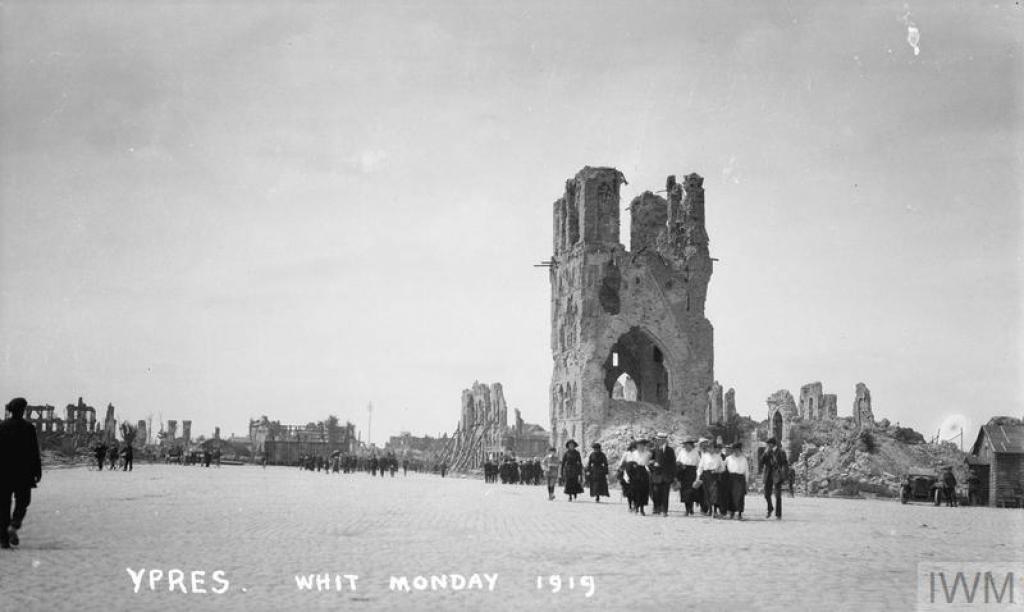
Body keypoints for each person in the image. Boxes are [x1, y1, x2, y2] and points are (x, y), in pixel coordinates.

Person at [1, 398, 42, 549]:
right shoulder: (28, 427)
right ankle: (14, 524)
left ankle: (4, 540)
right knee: (23, 501)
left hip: (3, 472)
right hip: (23, 472)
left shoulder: (2, 426)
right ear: (22, 410)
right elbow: (34, 451)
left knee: (3, 506)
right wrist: (37, 471)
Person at [649, 433, 676, 516]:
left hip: (666, 475)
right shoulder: (654, 450)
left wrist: (673, 476)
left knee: (665, 494)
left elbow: (673, 464)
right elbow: (649, 461)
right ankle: (656, 508)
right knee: (655, 493)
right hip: (656, 475)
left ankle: (664, 510)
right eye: (659, 439)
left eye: (663, 439)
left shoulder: (670, 450)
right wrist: (653, 464)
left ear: (665, 440)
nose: (661, 441)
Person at [697, 440, 726, 517]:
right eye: (708, 448)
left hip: (715, 476)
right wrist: (698, 476)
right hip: (706, 476)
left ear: (714, 448)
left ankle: (715, 511)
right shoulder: (704, 456)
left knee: (715, 493)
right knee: (707, 494)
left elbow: (723, 468)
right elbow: (700, 467)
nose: (710, 449)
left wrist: (717, 470)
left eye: (712, 448)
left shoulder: (718, 457)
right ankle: (710, 509)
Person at [762, 437, 788, 520]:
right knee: (766, 494)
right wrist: (765, 453)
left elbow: (785, 464)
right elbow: (761, 461)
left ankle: (778, 514)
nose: (767, 445)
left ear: (772, 444)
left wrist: (784, 475)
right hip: (768, 474)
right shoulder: (767, 452)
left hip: (777, 474)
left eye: (769, 444)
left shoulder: (781, 452)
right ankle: (770, 508)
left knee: (777, 495)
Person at [625, 439, 652, 515]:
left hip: (643, 472)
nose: (641, 447)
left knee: (643, 490)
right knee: (635, 491)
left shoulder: (648, 454)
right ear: (637, 446)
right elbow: (629, 464)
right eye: (639, 445)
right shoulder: (633, 453)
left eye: (643, 445)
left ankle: (642, 508)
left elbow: (648, 464)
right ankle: (636, 507)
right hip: (635, 472)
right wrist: (628, 474)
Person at [724, 442, 748, 520]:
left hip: (740, 478)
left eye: (738, 450)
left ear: (740, 450)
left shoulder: (743, 459)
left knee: (740, 496)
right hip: (731, 478)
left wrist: (747, 482)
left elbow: (746, 471)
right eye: (734, 450)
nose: (736, 451)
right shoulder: (728, 458)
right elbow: (723, 467)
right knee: (731, 496)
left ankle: (740, 513)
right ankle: (731, 512)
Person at [676, 439, 700, 516]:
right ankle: (687, 509)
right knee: (684, 492)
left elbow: (699, 464)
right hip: (683, 472)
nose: (686, 446)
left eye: (688, 445)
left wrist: (697, 474)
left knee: (691, 491)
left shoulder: (695, 452)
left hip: (692, 472)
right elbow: (677, 461)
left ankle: (691, 508)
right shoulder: (682, 452)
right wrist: (680, 465)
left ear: (691, 445)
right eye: (685, 445)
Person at [617, 441, 637, 510]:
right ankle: (630, 505)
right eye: (634, 447)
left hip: (636, 472)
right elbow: (621, 462)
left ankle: (635, 502)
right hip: (628, 472)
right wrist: (621, 468)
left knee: (636, 489)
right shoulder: (626, 454)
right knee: (628, 489)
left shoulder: (638, 454)